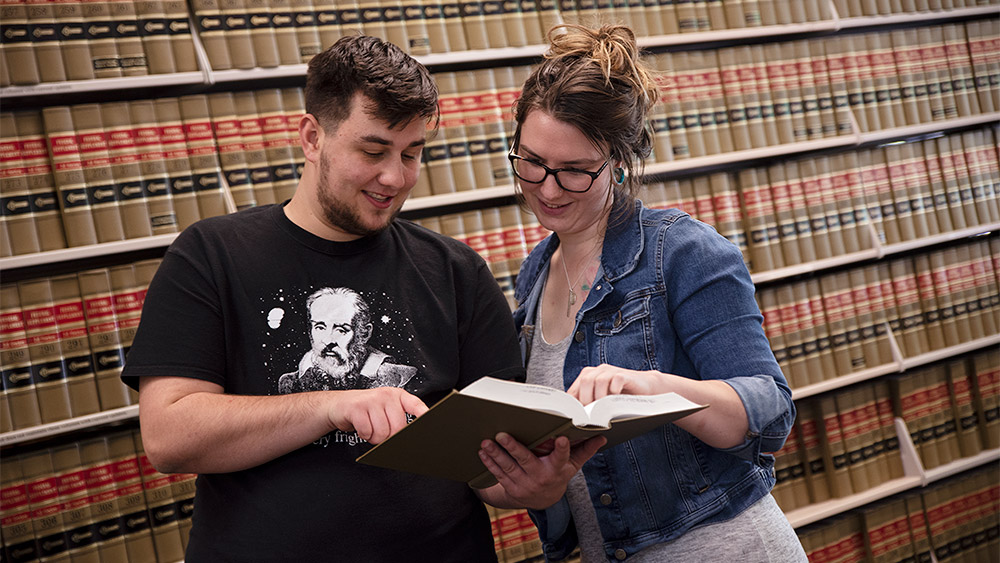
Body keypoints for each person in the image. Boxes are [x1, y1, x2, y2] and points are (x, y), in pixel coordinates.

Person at [121, 35, 601, 562]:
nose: (394, 178)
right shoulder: (210, 255)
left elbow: (493, 473)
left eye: (412, 154)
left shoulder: (457, 272)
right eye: (372, 151)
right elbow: (169, 436)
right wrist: (332, 407)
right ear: (312, 137)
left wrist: (535, 486)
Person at [476, 24, 807, 562]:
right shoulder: (536, 272)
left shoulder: (683, 251)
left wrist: (652, 388)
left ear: (620, 162)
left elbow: (768, 412)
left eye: (576, 172)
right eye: (532, 163)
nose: (548, 189)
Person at [277, 287, 420, 393]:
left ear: (364, 333)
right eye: (320, 327)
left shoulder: (399, 379)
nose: (328, 340)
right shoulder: (291, 383)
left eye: (341, 330)